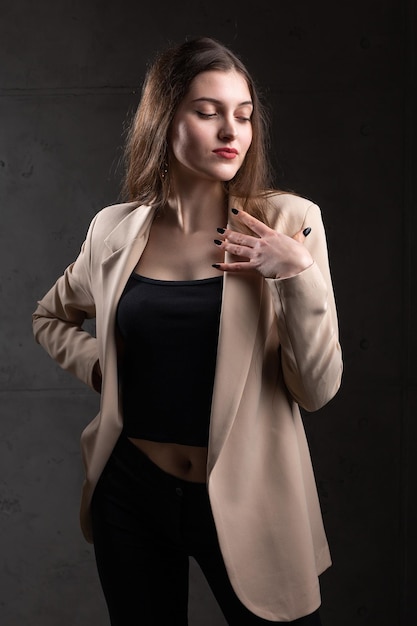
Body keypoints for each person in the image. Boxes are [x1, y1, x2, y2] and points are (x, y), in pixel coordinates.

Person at [32, 36, 342, 625]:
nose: (231, 131)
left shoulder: (289, 223)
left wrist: (297, 274)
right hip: (131, 492)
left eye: (243, 116)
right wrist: (102, 366)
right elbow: (49, 316)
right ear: (164, 120)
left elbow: (318, 388)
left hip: (252, 498)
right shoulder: (114, 230)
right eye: (208, 112)